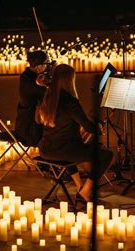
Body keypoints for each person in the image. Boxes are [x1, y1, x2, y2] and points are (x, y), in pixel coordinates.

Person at [36, 64, 114, 203]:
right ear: (69, 80)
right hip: (64, 151)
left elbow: (44, 121)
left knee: (72, 147)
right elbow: (88, 127)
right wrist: (98, 127)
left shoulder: (47, 96)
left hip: (45, 149)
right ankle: (85, 191)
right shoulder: (70, 102)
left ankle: (79, 185)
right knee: (106, 155)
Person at [14, 50, 48, 148]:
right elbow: (46, 92)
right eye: (46, 63)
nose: (47, 66)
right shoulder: (30, 80)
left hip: (25, 123)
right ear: (39, 66)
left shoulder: (28, 75)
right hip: (29, 130)